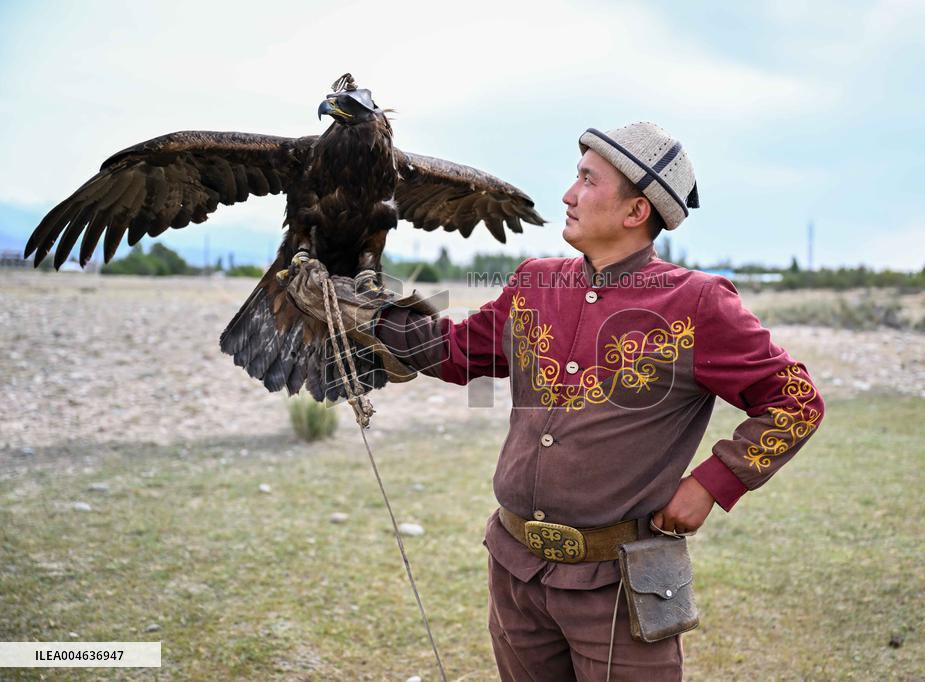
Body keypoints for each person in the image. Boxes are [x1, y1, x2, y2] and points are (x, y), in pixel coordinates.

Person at [295, 122, 826, 680]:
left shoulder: (697, 303)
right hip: (515, 572)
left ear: (635, 210)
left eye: (587, 180)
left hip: (619, 584)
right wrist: (366, 313)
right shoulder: (534, 284)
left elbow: (795, 401)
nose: (568, 195)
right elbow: (456, 354)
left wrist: (711, 485)